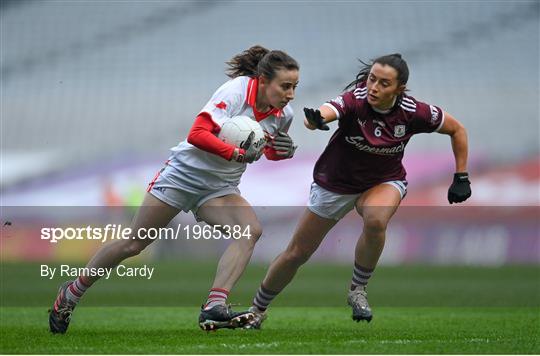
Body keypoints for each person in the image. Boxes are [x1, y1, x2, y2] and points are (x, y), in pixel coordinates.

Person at [48, 45, 300, 333]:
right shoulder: (236, 91)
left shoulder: (284, 114)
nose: (290, 94)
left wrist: (283, 150)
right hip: (182, 176)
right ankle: (70, 294)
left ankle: (213, 307)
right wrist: (232, 153)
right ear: (263, 81)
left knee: (250, 231)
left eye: (294, 87)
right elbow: (197, 134)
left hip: (219, 187)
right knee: (134, 243)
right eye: (285, 86)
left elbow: (266, 151)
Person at [242, 53, 471, 329]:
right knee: (297, 254)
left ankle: (357, 290)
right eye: (372, 79)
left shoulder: (414, 112)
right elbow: (328, 111)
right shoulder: (356, 100)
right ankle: (257, 309)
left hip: (383, 181)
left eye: (384, 83)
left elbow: (457, 130)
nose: (374, 87)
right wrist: (316, 120)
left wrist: (461, 175)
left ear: (400, 89)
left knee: (376, 218)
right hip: (335, 184)